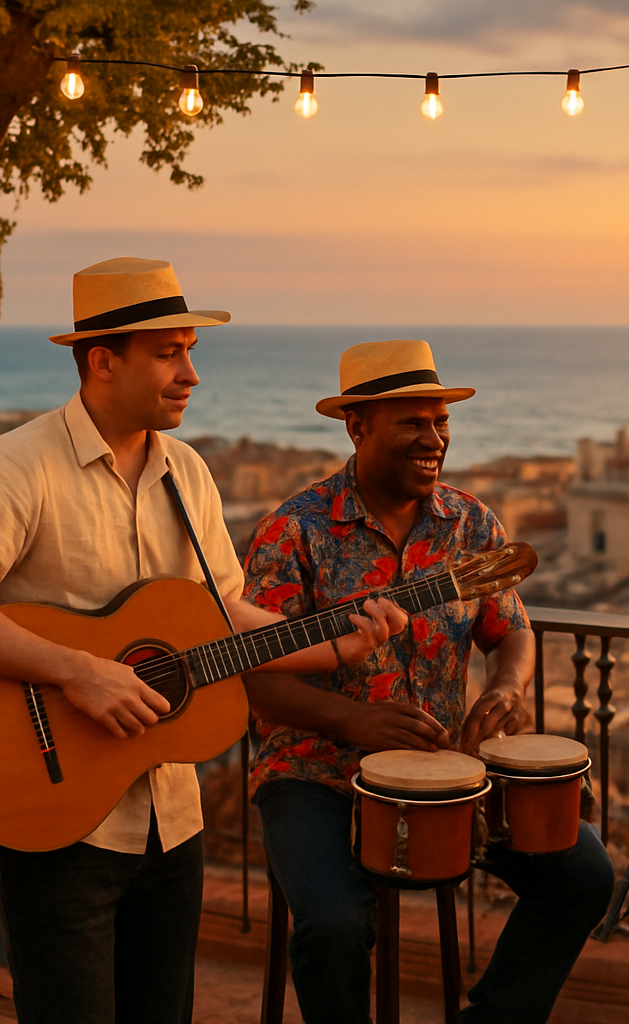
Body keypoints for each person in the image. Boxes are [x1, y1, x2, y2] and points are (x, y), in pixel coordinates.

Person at [0, 258, 403, 1024]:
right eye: (168, 353)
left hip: (170, 821)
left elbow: (226, 614)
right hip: (55, 819)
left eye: (191, 351)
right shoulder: (21, 469)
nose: (191, 374)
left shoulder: (187, 471)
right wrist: (80, 670)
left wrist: (335, 647)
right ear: (102, 360)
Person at [241, 338, 615, 1024]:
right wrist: (353, 722)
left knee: (584, 876)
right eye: (414, 422)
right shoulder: (291, 531)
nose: (434, 439)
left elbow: (514, 632)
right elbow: (257, 681)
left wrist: (507, 690)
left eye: (441, 422)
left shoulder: (470, 523)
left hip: (446, 774)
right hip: (314, 776)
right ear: (358, 426)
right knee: (333, 926)